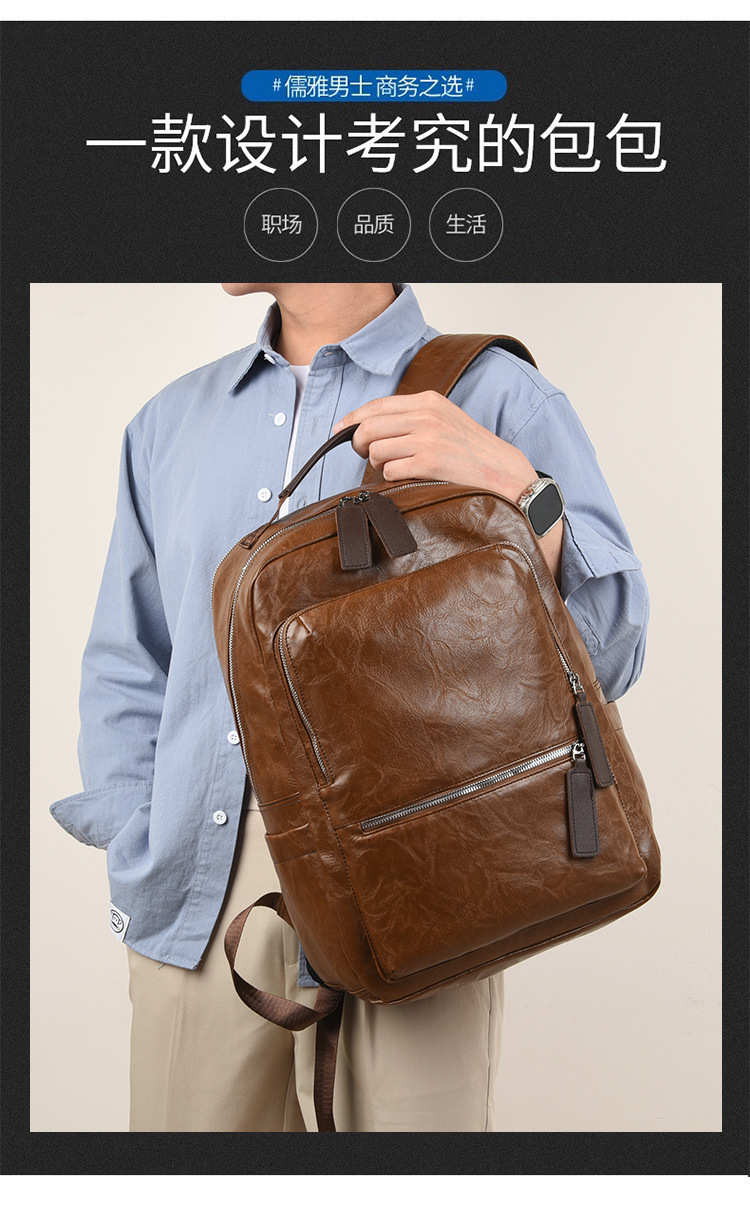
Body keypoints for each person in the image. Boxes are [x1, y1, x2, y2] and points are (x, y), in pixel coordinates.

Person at [50, 282, 649, 1132]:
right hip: (200, 883)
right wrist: (137, 832)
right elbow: (129, 656)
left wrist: (523, 491)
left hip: (425, 866)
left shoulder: (497, 395)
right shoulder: (168, 422)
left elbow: (612, 650)